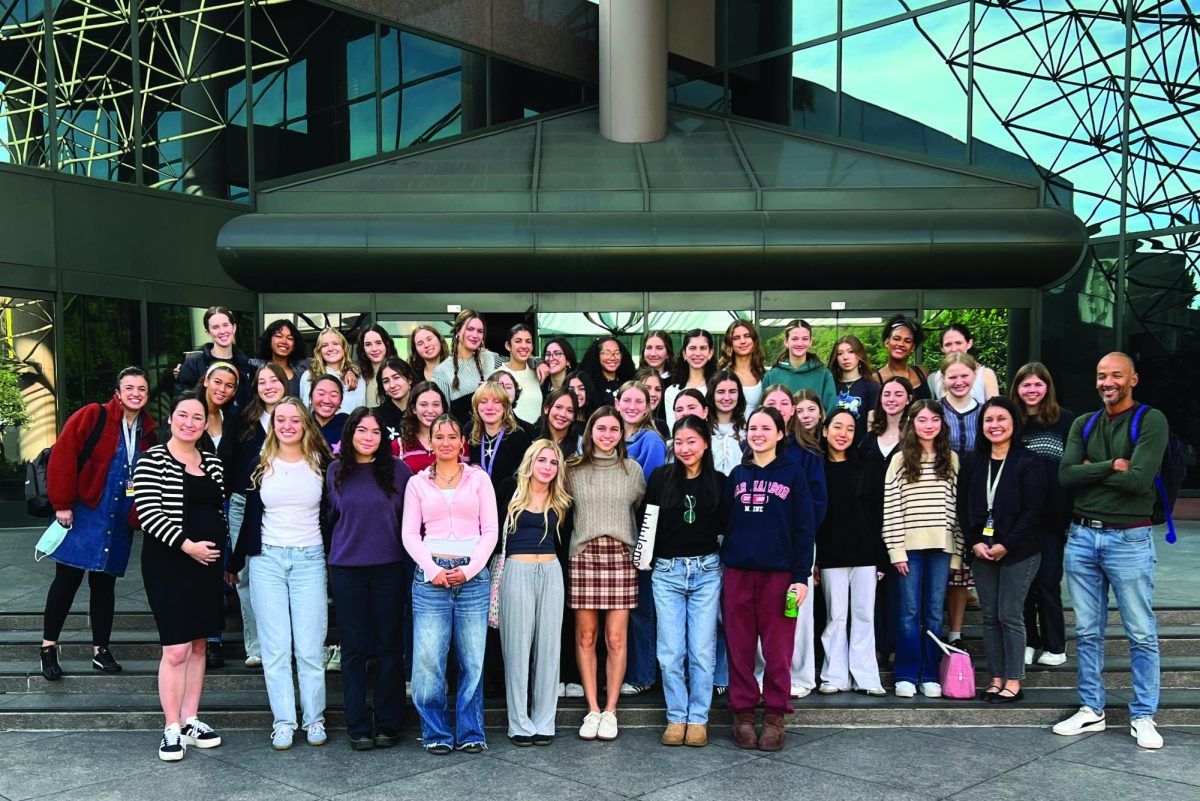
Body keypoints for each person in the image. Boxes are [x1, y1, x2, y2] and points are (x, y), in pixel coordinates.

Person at [1053, 353, 1168, 750]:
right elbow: (1066, 474)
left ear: (1133, 378)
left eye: (1116, 375)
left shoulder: (1150, 420)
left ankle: (1143, 715)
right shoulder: (1084, 423)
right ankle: (1091, 709)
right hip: (1082, 537)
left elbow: (1139, 481)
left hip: (1129, 539)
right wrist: (1110, 466)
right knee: (1086, 631)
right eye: (1101, 375)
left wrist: (1092, 469)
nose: (1107, 382)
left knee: (1140, 630)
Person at [229, 397, 333, 750]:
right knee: (275, 648)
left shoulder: (322, 463)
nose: (287, 425)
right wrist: (233, 562)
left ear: (305, 424)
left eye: (294, 420)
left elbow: (334, 515)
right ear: (273, 424)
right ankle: (284, 722)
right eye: (280, 419)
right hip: (267, 561)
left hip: (310, 559)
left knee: (308, 646)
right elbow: (247, 518)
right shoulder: (259, 462)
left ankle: (314, 718)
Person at [41, 367, 157, 681]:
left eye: (142, 389)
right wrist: (62, 503)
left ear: (147, 395)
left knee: (104, 586)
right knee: (67, 580)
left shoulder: (147, 433)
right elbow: (63, 456)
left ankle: (100, 651)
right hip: (84, 512)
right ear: (118, 392)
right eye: (129, 387)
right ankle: (48, 647)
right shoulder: (94, 415)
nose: (136, 393)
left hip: (119, 519)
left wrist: (141, 516)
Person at [133, 391, 226, 761]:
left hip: (208, 565)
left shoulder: (213, 462)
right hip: (168, 563)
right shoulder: (152, 459)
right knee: (175, 649)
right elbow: (149, 515)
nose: (190, 422)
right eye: (183, 415)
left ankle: (191, 719)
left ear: (205, 424)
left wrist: (219, 553)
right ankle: (171, 726)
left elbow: (218, 510)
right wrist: (189, 546)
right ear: (171, 418)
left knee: (200, 644)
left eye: (197, 417)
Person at [402, 414, 498, 754]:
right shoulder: (417, 483)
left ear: (462, 443)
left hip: (472, 577)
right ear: (431, 442)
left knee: (472, 658)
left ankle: (471, 732)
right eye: (438, 436)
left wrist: (470, 569)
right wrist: (432, 569)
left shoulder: (479, 479)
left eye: (451, 436)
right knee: (429, 659)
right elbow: (410, 534)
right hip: (431, 578)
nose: (445, 442)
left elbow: (490, 531)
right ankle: (437, 733)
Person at [722, 407, 816, 752]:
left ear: (780, 434)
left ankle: (775, 716)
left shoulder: (793, 474)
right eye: (752, 428)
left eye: (766, 428)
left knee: (779, 651)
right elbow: (725, 522)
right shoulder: (737, 475)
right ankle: (744, 715)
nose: (758, 433)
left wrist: (801, 576)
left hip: (780, 578)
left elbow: (804, 529)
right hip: (738, 574)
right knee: (739, 648)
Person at [324, 407, 414, 750]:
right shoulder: (335, 472)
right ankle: (357, 723)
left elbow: (410, 518)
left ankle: (389, 722)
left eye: (375, 432)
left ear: (383, 438)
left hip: (389, 567)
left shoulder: (399, 472)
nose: (368, 437)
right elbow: (329, 521)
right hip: (347, 569)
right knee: (354, 649)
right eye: (362, 431)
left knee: (390, 647)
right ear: (350, 434)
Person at [644, 416, 728, 747]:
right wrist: (645, 560)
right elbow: (648, 522)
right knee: (670, 650)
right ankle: (676, 716)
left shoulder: (718, 482)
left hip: (707, 572)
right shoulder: (661, 477)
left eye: (691, 441)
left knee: (702, 650)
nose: (685, 449)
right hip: (667, 573)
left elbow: (725, 530)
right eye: (678, 442)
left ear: (705, 443)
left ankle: (698, 718)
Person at [565, 407, 646, 741]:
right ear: (590, 432)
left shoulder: (633, 470)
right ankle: (592, 708)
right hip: (584, 556)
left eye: (615, 429)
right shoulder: (572, 470)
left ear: (622, 433)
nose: (608, 435)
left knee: (615, 639)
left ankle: (611, 710)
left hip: (621, 557)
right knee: (586, 636)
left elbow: (641, 513)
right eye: (601, 428)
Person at [959, 397, 1047, 704]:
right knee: (989, 616)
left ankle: (1013, 680)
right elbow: (962, 507)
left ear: (1013, 423)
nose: (994, 425)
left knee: (1009, 614)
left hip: (1019, 551)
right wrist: (974, 542)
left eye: (1001, 419)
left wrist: (1005, 545)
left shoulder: (1028, 461)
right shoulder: (973, 461)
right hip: (981, 549)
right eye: (988, 420)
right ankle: (995, 679)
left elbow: (1034, 512)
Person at [882, 400, 963, 699]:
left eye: (934, 420)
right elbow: (891, 507)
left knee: (933, 613)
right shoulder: (900, 460)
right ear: (912, 424)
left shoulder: (951, 459)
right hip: (909, 549)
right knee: (908, 612)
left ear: (942, 424)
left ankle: (930, 673)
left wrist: (957, 552)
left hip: (942, 548)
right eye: (922, 420)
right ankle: (905, 673)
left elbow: (956, 508)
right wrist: (896, 549)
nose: (928, 425)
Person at [494, 440, 572, 746]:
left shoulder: (562, 500)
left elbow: (564, 543)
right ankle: (519, 723)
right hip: (516, 571)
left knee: (549, 649)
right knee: (517, 649)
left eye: (553, 463)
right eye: (542, 460)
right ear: (530, 461)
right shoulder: (508, 491)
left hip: (551, 572)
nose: (547, 467)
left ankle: (544, 720)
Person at [761, 384, 827, 699]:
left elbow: (818, 503)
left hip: (797, 546)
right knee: (764, 613)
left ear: (793, 410)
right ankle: (764, 671)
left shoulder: (807, 452)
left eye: (784, 403)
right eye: (770, 402)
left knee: (794, 609)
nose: (778, 407)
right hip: (762, 550)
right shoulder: (755, 451)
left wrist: (794, 530)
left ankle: (798, 673)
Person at [815, 409, 887, 697]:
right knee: (835, 616)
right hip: (831, 556)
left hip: (865, 554)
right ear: (824, 430)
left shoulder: (868, 466)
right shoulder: (817, 468)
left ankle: (866, 676)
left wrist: (881, 558)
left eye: (849, 429)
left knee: (864, 615)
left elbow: (878, 515)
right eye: (837, 427)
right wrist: (815, 560)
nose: (842, 433)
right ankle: (834, 675)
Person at [1011, 362, 1075, 667]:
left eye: (1037, 385)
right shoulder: (1013, 422)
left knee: (1048, 581)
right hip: (1020, 518)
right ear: (1017, 389)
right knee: (1023, 584)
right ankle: (1029, 641)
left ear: (1047, 387)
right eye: (1026, 385)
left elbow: (1073, 470)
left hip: (1052, 517)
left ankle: (1054, 644)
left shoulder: (1065, 420)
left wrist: (1069, 517)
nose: (1032, 391)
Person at [228, 363, 290, 670]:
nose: (268, 386)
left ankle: (283, 642)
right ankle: (256, 646)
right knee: (247, 577)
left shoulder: (297, 416)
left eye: (273, 380)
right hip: (244, 501)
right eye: (262, 382)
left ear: (284, 383)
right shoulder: (245, 420)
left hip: (284, 505)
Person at [861, 376, 915, 666]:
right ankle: (878, 644)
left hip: (903, 522)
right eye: (886, 394)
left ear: (909, 398)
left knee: (899, 588)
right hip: (871, 522)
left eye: (898, 394)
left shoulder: (914, 437)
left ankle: (897, 645)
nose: (891, 399)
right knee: (875, 585)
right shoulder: (870, 437)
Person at [194, 361, 242, 669]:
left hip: (226, 503)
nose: (222, 389)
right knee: (204, 570)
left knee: (223, 569)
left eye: (229, 385)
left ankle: (212, 635)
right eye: (218, 382)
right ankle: (210, 640)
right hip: (196, 504)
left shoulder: (233, 418)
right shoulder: (189, 409)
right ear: (206, 381)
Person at [940, 352, 982, 648]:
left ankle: (955, 632)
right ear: (943, 380)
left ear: (974, 376)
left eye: (964, 376)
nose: (958, 382)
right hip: (941, 499)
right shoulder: (935, 412)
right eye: (952, 377)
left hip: (978, 499)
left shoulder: (985, 413)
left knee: (961, 572)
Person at [175, 306, 254, 407]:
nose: (222, 331)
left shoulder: (246, 365)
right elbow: (182, 403)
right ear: (208, 333)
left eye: (225, 325)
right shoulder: (193, 364)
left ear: (234, 328)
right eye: (215, 327)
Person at [432, 309, 503, 422]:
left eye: (480, 331)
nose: (475, 335)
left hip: (494, 435)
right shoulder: (442, 371)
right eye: (470, 329)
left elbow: (517, 361)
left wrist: (538, 363)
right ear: (458, 331)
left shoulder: (492, 359)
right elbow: (443, 417)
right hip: (463, 436)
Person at [762, 319, 836, 413]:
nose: (800, 343)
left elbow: (831, 413)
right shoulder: (771, 376)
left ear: (810, 342)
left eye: (805, 339)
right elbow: (764, 413)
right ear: (786, 342)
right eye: (794, 339)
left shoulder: (824, 375)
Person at [469, 381, 533, 487]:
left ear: (505, 406)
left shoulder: (519, 437)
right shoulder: (469, 434)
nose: (489, 407)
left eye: (496, 401)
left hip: (507, 501)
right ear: (476, 406)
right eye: (483, 401)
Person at [828, 334, 879, 447]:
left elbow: (871, 424)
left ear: (860, 355)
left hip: (860, 450)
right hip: (832, 449)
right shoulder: (830, 385)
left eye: (851, 351)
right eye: (840, 353)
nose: (845, 357)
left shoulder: (871, 387)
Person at [927, 323, 1000, 402]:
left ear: (969, 343)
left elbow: (994, 409)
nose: (954, 349)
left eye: (958, 343)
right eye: (948, 344)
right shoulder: (935, 378)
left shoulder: (985, 374)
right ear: (942, 348)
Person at [398, 381, 460, 473]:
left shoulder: (458, 443)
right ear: (413, 408)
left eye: (436, 405)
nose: (430, 410)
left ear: (443, 408)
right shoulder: (400, 445)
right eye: (423, 404)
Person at [299, 327, 364, 413]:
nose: (330, 348)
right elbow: (305, 412)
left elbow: (361, 410)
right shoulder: (309, 376)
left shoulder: (357, 378)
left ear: (344, 348)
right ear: (319, 350)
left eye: (335, 343)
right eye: (325, 345)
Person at [664, 329, 716, 428]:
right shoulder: (672, 391)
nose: (697, 353)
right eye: (692, 348)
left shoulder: (718, 389)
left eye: (703, 348)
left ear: (710, 353)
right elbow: (672, 429)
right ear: (684, 353)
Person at [873, 315, 931, 400]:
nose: (901, 344)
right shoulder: (876, 379)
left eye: (907, 341)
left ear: (913, 347)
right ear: (887, 342)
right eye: (896, 339)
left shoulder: (922, 373)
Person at [500, 324, 544, 425]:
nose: (524, 346)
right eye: (518, 341)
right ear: (508, 346)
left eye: (528, 342)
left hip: (536, 437)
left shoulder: (538, 374)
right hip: (510, 435)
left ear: (532, 346)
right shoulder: (499, 375)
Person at [718, 319, 765, 413]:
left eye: (747, 336)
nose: (742, 341)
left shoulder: (763, 374)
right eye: (736, 338)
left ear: (754, 341)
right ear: (730, 343)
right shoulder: (721, 375)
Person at [707, 370, 747, 476]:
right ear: (712, 394)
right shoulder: (702, 429)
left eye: (732, 391)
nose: (727, 397)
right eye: (721, 392)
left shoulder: (748, 430)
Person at [374, 357, 416, 454]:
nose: (392, 385)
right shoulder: (376, 415)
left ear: (409, 379)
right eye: (386, 381)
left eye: (396, 377)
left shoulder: (423, 411)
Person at [256, 319, 308, 396]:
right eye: (279, 336)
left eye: (290, 338)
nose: (284, 341)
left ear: (295, 345)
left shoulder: (304, 371)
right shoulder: (254, 367)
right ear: (269, 340)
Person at [579, 336, 635, 406]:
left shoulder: (628, 384)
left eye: (617, 353)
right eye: (607, 353)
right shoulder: (590, 386)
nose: (612, 358)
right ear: (597, 356)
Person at [356, 324, 399, 408]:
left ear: (386, 344)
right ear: (363, 349)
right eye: (368, 344)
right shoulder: (358, 373)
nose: (374, 349)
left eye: (378, 343)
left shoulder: (400, 370)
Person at [537, 388, 583, 457]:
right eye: (558, 407)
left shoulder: (581, 445)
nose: (563, 414)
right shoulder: (532, 439)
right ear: (546, 409)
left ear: (574, 417)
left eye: (570, 410)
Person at [309, 374, 351, 449]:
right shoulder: (302, 423)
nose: (326, 400)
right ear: (311, 397)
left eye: (333, 395)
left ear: (341, 401)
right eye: (321, 394)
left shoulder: (348, 424)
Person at [633, 366, 670, 438]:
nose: (653, 394)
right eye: (647, 388)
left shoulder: (662, 426)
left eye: (658, 389)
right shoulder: (621, 424)